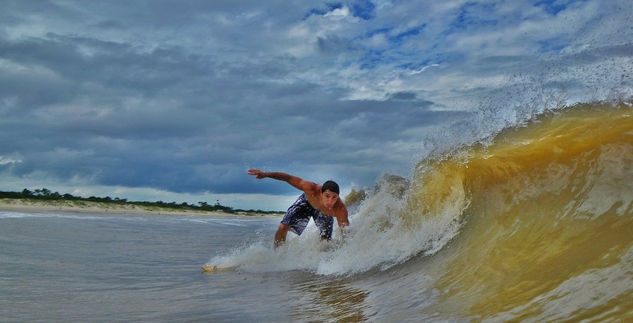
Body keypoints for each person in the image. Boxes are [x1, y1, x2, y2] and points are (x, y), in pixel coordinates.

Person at [248, 169, 349, 248]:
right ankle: (277, 254)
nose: (330, 201)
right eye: (327, 196)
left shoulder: (340, 209)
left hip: (324, 213)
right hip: (306, 203)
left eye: (334, 197)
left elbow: (345, 234)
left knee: (325, 241)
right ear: (321, 193)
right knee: (283, 228)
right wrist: (265, 174)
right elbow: (287, 178)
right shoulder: (311, 188)